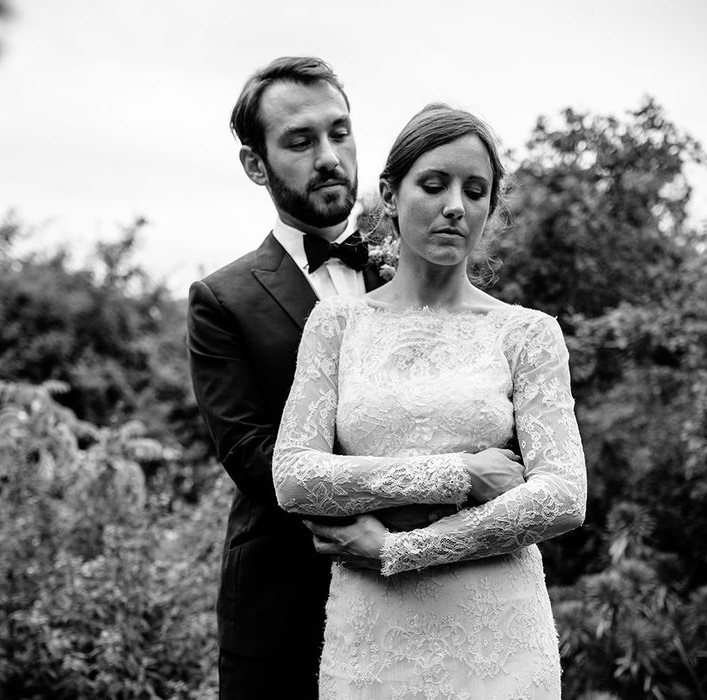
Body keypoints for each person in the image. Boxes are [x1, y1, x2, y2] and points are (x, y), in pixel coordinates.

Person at [272, 104, 587, 698]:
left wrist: (400, 549)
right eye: (434, 184)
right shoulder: (335, 325)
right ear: (390, 193)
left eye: (475, 191)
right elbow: (293, 476)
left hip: (499, 638)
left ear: (491, 208)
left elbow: (564, 497)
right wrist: (457, 475)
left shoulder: (527, 332)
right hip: (372, 638)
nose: (454, 206)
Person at [187, 56, 383, 698]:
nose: (329, 156)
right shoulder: (222, 299)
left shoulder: (415, 271)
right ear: (255, 164)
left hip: (414, 587)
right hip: (283, 603)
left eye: (339, 132)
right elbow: (248, 452)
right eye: (300, 141)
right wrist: (387, 498)